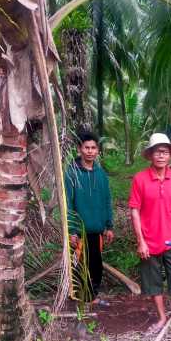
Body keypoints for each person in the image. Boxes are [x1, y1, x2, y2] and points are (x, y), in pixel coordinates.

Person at [128, 133, 171, 334]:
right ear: (150, 155)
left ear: (169, 155)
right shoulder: (140, 179)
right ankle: (162, 318)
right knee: (153, 283)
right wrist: (141, 241)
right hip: (149, 241)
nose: (161, 155)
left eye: (164, 152)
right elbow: (134, 211)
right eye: (157, 152)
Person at [65, 131, 114, 305]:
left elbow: (107, 201)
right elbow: (68, 204)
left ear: (98, 151)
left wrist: (109, 226)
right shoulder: (72, 173)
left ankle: (92, 298)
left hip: (97, 230)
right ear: (80, 149)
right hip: (79, 232)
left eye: (93, 148)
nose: (90, 151)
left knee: (96, 266)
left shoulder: (101, 175)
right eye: (87, 147)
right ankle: (81, 300)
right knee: (79, 267)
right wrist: (71, 230)